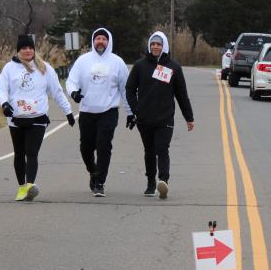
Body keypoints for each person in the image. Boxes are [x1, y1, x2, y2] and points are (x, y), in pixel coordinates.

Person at [0, 35, 74, 201]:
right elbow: (1, 89)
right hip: (16, 117)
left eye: (30, 48)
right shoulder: (9, 68)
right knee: (19, 153)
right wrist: (4, 104)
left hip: (38, 117)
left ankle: (30, 186)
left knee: (32, 152)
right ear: (18, 50)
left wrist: (68, 112)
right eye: (24, 48)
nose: (28, 51)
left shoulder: (45, 68)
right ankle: (22, 187)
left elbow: (57, 91)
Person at [125, 31, 194, 199]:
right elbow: (129, 89)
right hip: (144, 118)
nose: (155, 47)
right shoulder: (140, 66)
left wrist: (189, 117)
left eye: (159, 44)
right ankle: (150, 183)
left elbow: (181, 95)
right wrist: (136, 109)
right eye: (153, 44)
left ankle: (163, 181)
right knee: (149, 151)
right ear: (149, 46)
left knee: (162, 148)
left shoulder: (173, 67)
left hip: (165, 118)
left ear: (164, 46)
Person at [64, 27, 132, 197]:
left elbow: (126, 90)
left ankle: (100, 182)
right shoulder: (83, 61)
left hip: (108, 111)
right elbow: (71, 81)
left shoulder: (118, 62)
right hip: (87, 111)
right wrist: (74, 93)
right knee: (85, 148)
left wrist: (131, 112)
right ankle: (93, 171)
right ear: (93, 41)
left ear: (109, 42)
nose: (100, 42)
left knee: (103, 146)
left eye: (104, 39)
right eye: (98, 39)